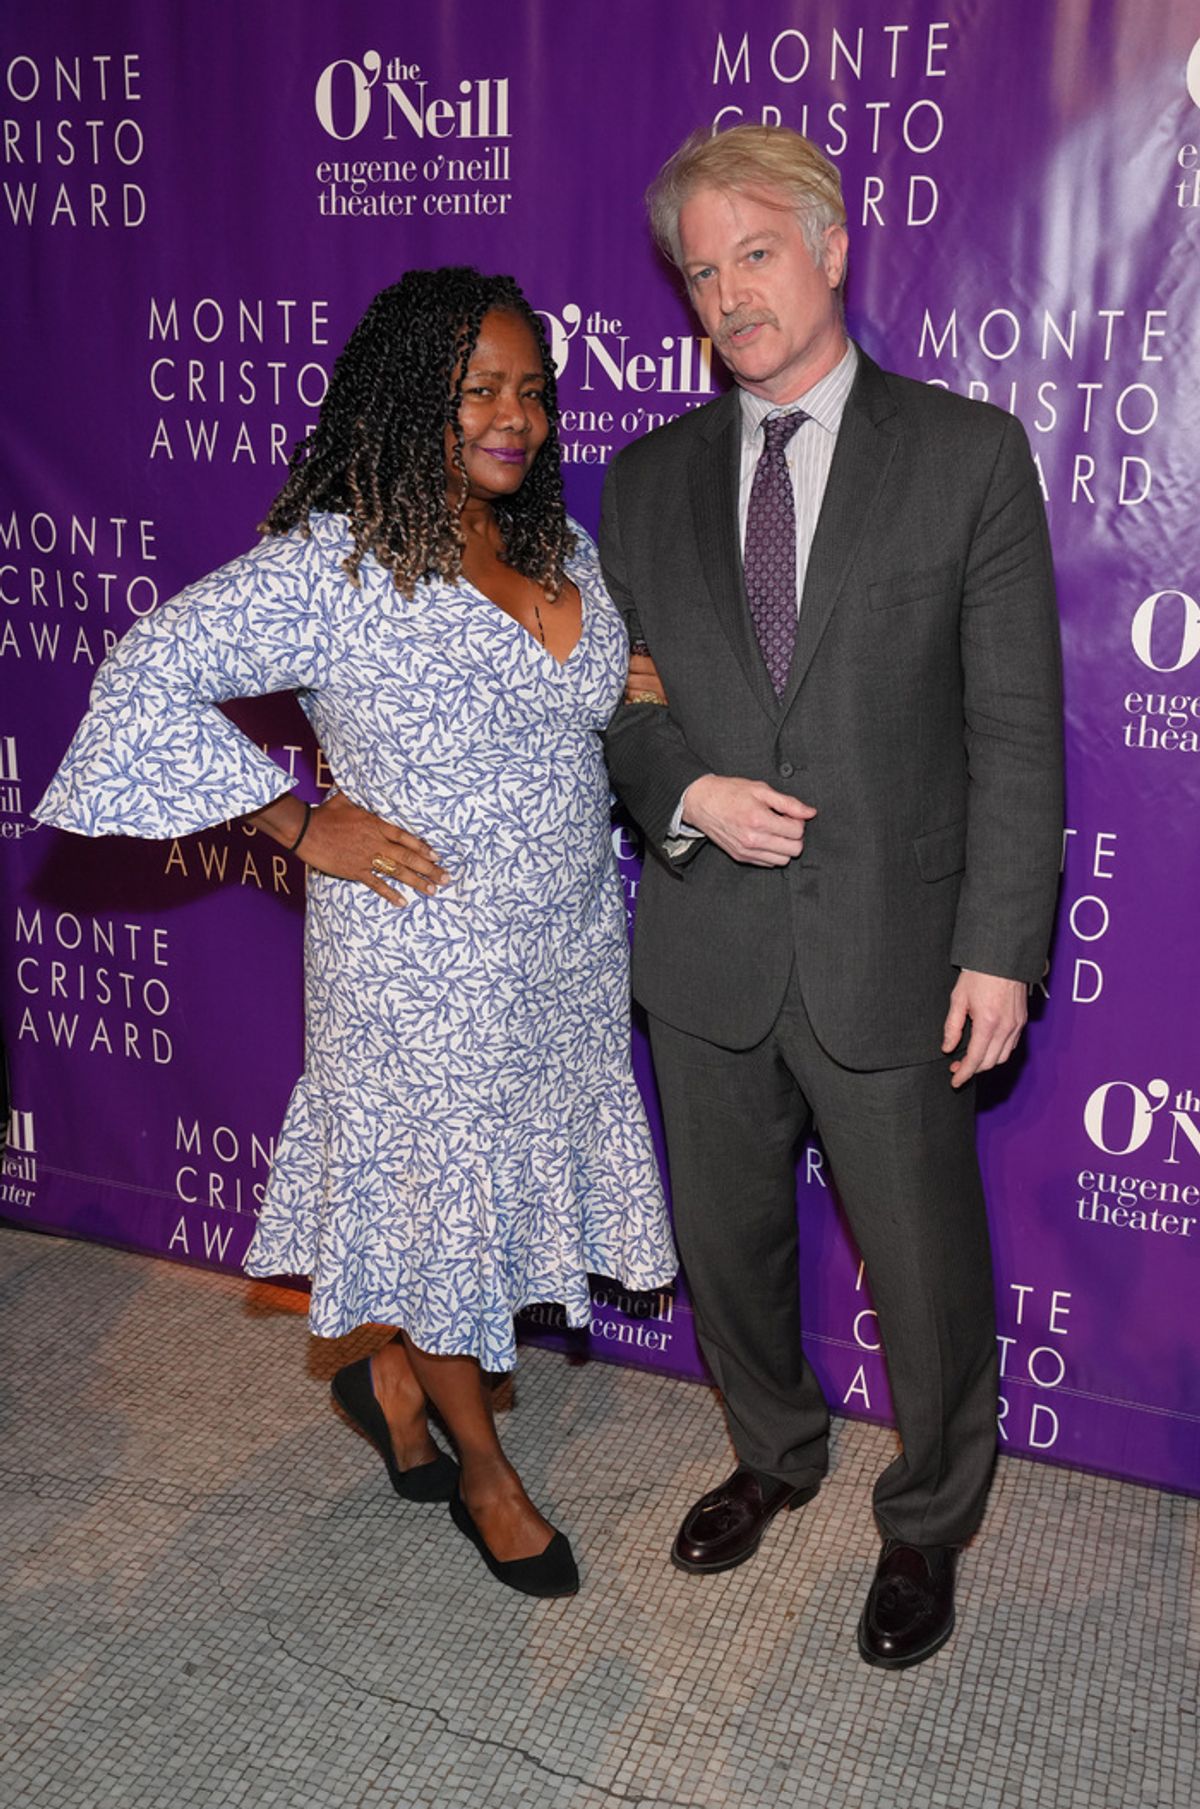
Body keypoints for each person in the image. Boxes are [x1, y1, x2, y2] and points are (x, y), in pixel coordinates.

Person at [36, 266, 677, 1599]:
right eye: (476, 394)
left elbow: (553, 688)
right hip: (417, 957)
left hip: (558, 951)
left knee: (464, 1210)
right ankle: (486, 1480)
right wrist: (296, 819)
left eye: (530, 392)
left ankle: (390, 1366)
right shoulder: (336, 564)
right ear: (402, 406)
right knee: (437, 1209)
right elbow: (146, 669)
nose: (513, 418)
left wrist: (611, 679)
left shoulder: (557, 546)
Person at [602, 127, 1063, 1666]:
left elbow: (1014, 724)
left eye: (757, 253)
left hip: (896, 950)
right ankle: (772, 1450)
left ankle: (929, 1519)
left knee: (924, 1273)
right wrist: (685, 792)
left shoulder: (967, 454)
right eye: (701, 271)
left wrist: (1002, 948)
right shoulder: (648, 482)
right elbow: (619, 699)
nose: (729, 294)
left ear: (833, 247)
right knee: (729, 1247)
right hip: (708, 951)